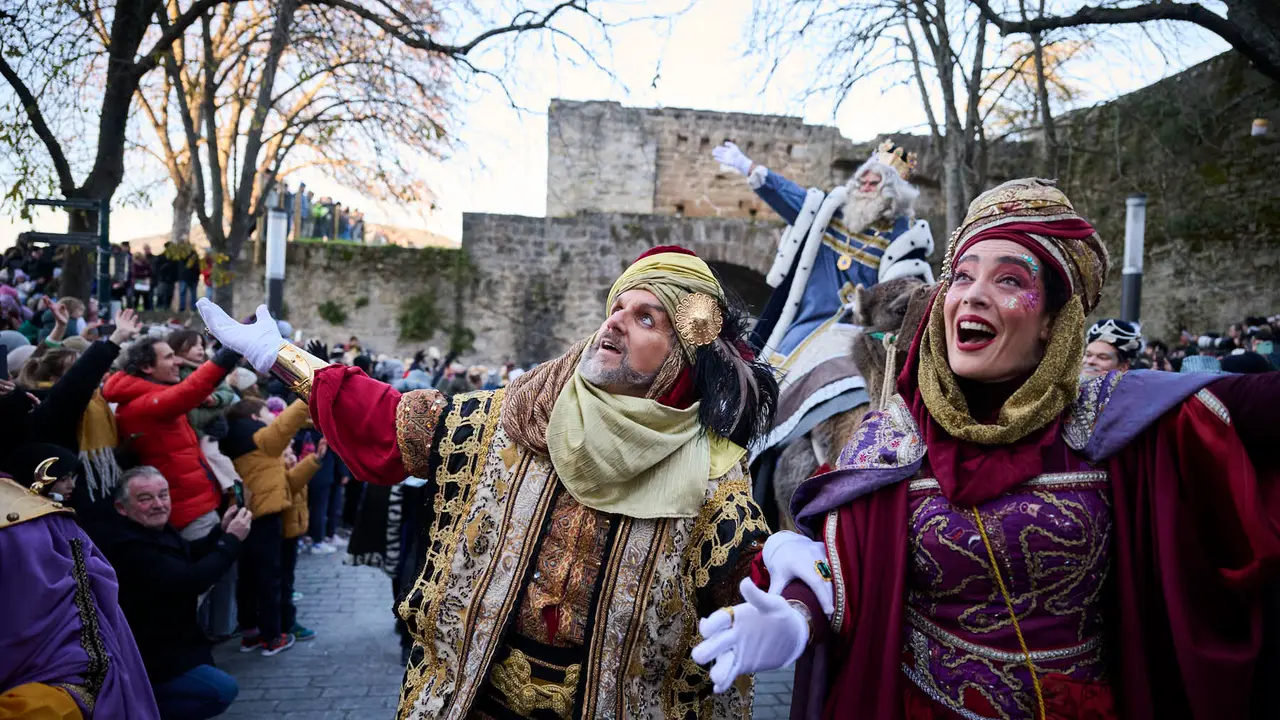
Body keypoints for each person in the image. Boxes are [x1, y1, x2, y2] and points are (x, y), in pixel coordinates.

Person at [694, 178, 1280, 719]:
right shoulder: (894, 439)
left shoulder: (1122, 418)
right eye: (962, 277)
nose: (972, 296)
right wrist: (796, 620)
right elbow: (844, 563)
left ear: (1055, 319)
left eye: (1009, 280)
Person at [197, 245, 780, 718]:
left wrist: (790, 612)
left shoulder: (714, 475)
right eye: (616, 306)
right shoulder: (516, 418)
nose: (615, 322)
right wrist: (280, 355)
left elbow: (750, 582)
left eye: (645, 317)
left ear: (681, 354)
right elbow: (394, 424)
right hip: (478, 701)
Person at [0, 441, 160, 719]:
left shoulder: (33, 524)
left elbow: (83, 661)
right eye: (61, 478)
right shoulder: (34, 522)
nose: (69, 484)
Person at [93, 466, 249, 720]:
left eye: (163, 495)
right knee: (221, 690)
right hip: (151, 655)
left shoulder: (151, 529)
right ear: (122, 507)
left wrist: (220, 532)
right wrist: (231, 541)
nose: (158, 504)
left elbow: (185, 554)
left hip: (176, 642)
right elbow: (191, 579)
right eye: (145, 499)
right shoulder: (128, 545)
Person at [102, 335, 241, 536]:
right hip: (189, 512)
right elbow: (191, 390)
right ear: (147, 367)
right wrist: (231, 350)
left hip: (192, 504)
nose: (177, 361)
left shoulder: (143, 396)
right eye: (168, 357)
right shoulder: (147, 404)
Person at [220, 397, 320, 656]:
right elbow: (284, 426)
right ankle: (272, 636)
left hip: (249, 515)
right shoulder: (256, 438)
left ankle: (251, 633)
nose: (272, 418)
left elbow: (285, 484)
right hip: (264, 518)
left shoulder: (243, 439)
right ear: (255, 417)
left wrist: (314, 461)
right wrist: (308, 393)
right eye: (267, 412)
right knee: (268, 579)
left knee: (251, 579)